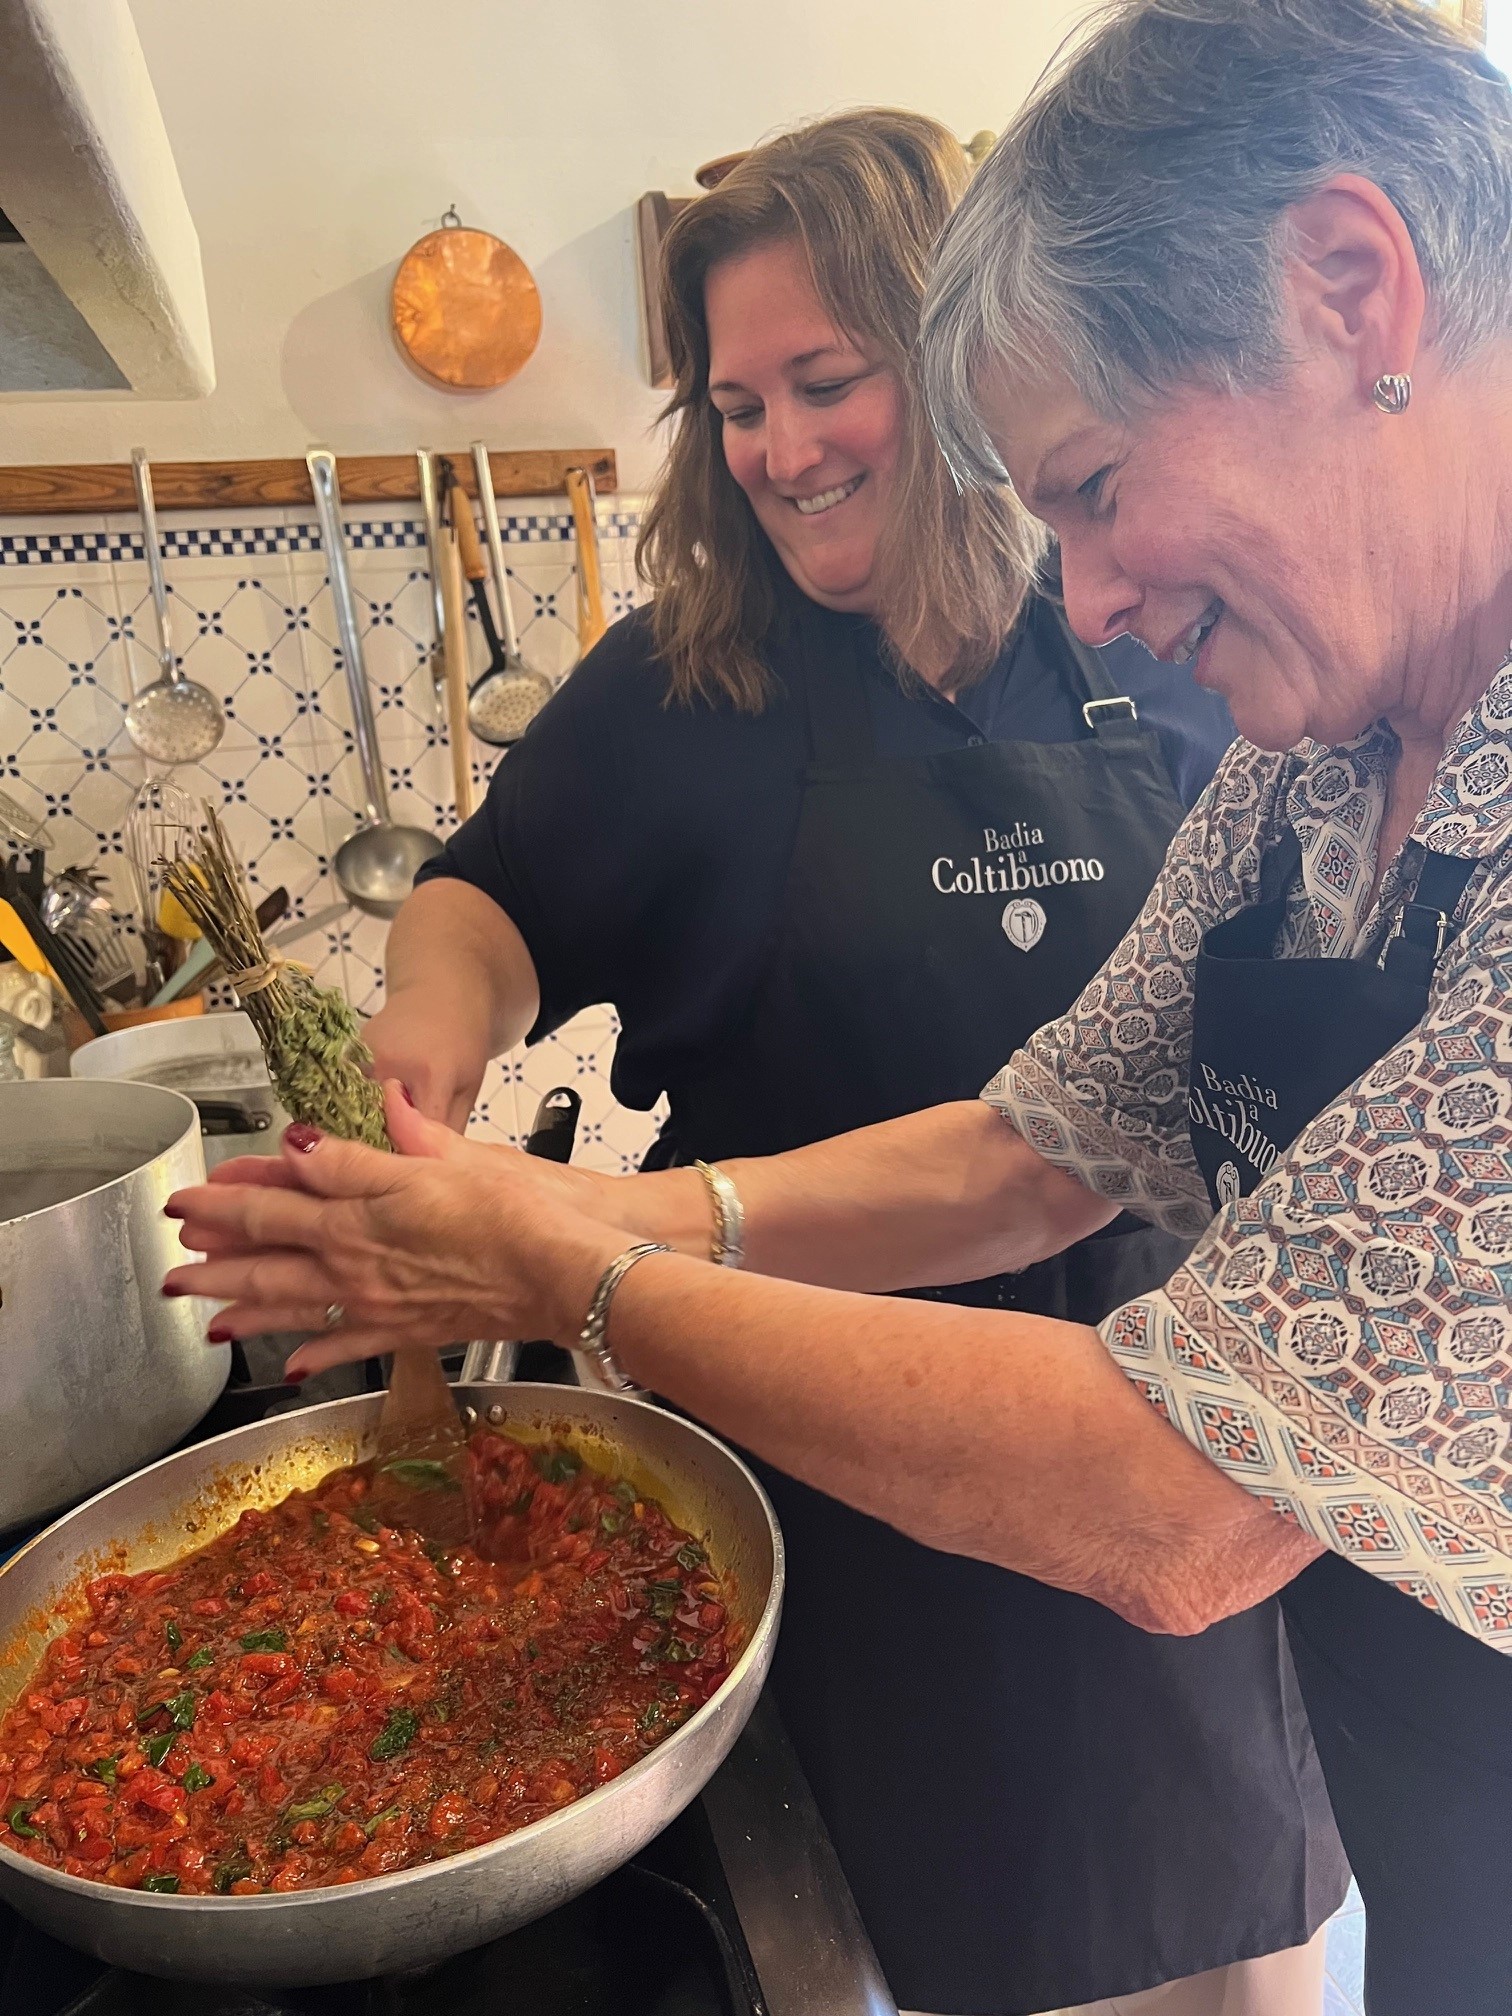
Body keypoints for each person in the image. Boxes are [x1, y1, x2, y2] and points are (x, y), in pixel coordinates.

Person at [156, 94, 1389, 2016]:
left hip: (1137, 1421)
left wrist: (566, 1240)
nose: (783, 450)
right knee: (838, 1929)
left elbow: (1065, 1198)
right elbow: (494, 906)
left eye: (830, 380)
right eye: (738, 408)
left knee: (1210, 1951)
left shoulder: (1192, 642)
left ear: (967, 360)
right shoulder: (687, 677)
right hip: (794, 1433)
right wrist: (445, 1055)